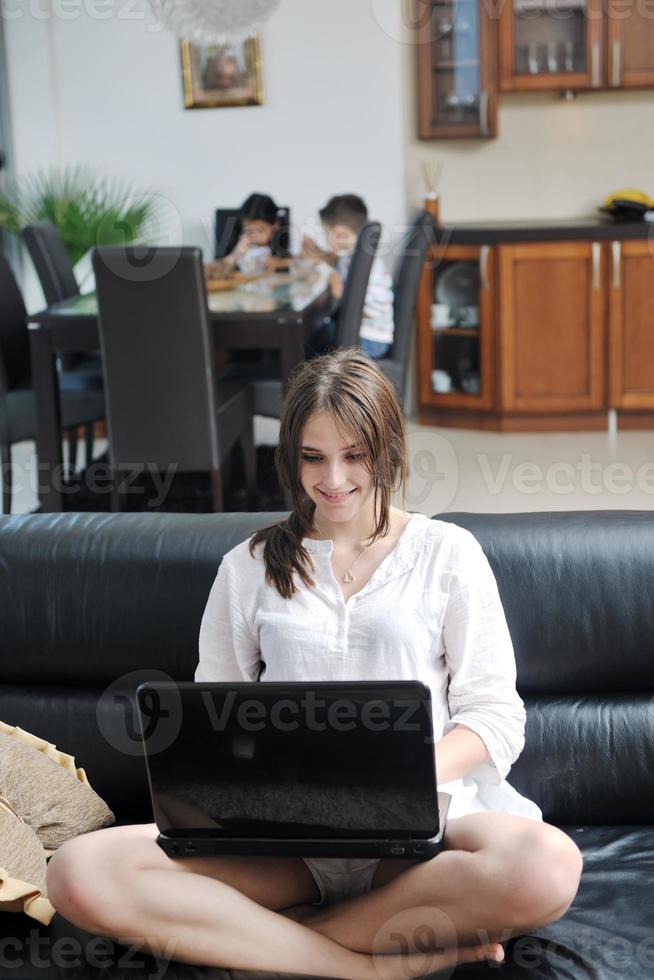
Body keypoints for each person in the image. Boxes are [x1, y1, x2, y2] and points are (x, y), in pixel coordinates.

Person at [46, 350, 583, 980]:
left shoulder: (449, 554)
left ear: (388, 452)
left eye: (355, 455)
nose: (333, 479)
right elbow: (214, 717)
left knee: (546, 867)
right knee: (76, 872)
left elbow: (495, 715)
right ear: (291, 456)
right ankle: (367, 966)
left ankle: (286, 942)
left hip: (422, 842)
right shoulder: (247, 567)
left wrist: (399, 777)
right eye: (313, 457)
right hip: (284, 842)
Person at [303, 194, 394, 359]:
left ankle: (314, 381)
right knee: (314, 333)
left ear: (339, 234)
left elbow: (367, 307)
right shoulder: (356, 255)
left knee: (308, 337)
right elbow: (337, 260)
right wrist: (316, 251)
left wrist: (337, 289)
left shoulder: (361, 264)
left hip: (368, 340)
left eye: (326, 232)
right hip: (370, 334)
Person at [207, 192, 290, 279]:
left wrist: (279, 263)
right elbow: (224, 267)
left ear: (275, 225)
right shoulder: (238, 239)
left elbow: (295, 261)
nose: (254, 235)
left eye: (260, 230)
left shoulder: (283, 236)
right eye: (249, 230)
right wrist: (236, 253)